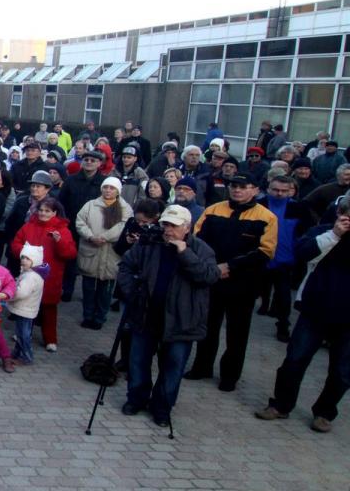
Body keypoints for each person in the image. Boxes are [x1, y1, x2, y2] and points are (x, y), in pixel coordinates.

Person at [117, 204, 220, 427]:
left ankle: (162, 407)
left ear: (187, 227)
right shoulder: (149, 244)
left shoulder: (201, 249)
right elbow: (125, 265)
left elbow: (209, 276)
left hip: (181, 320)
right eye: (165, 224)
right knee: (138, 361)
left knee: (173, 367)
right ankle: (136, 398)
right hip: (146, 314)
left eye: (174, 226)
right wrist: (132, 292)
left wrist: (184, 253)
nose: (168, 230)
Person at [254, 202, 350, 433]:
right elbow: (303, 253)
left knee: (342, 372)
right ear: (340, 214)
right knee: (294, 361)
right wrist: (335, 235)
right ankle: (281, 405)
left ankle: (325, 413)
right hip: (315, 310)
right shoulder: (323, 232)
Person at [187, 173, 278, 392]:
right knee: (207, 326)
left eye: (243, 186)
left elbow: (266, 252)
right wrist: (212, 267)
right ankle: (202, 367)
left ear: (255, 189)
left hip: (243, 284)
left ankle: (230, 375)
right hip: (213, 278)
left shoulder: (266, 217)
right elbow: (197, 241)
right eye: (234, 186)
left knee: (237, 332)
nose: (237, 190)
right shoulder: (213, 210)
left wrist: (232, 266)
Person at [10, 198, 77, 352]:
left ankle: (50, 339)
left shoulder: (62, 230)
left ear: (55, 212)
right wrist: (24, 252)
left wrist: (59, 241)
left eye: (47, 211)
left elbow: (70, 253)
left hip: (50, 275)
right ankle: (23, 333)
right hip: (29, 273)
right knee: (26, 306)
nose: (43, 213)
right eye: (41, 210)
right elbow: (15, 244)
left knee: (48, 308)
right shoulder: (28, 226)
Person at [256, 175, 313, 342]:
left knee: (284, 294)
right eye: (275, 190)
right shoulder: (260, 205)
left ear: (291, 191)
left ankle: (283, 325)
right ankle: (265, 305)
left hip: (285, 259)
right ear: (268, 189)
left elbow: (306, 231)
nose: (279, 193)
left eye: (284, 191)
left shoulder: (299, 208)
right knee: (261, 287)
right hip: (260, 256)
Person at [75, 177, 132, 330]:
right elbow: (80, 222)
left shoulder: (125, 208)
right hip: (91, 251)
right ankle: (87, 316)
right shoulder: (90, 205)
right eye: (105, 187)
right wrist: (90, 236)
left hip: (110, 254)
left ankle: (100, 317)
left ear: (118, 191)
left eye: (112, 188)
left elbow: (124, 225)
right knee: (88, 288)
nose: (108, 190)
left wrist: (104, 238)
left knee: (105, 291)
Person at [57, 150, 105, 302]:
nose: (89, 162)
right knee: (70, 259)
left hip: (93, 227)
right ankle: (67, 289)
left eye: (93, 160)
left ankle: (88, 294)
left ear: (99, 163)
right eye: (86, 159)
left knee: (89, 260)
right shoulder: (71, 180)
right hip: (71, 225)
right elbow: (60, 203)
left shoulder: (104, 183)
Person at [9, 244, 46, 364]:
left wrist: (8, 295)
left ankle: (26, 357)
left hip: (25, 310)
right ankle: (17, 353)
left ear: (35, 261)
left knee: (23, 334)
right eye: (23, 257)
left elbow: (20, 292)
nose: (23, 260)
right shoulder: (30, 274)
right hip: (27, 309)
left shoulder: (30, 277)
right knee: (21, 333)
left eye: (28, 258)